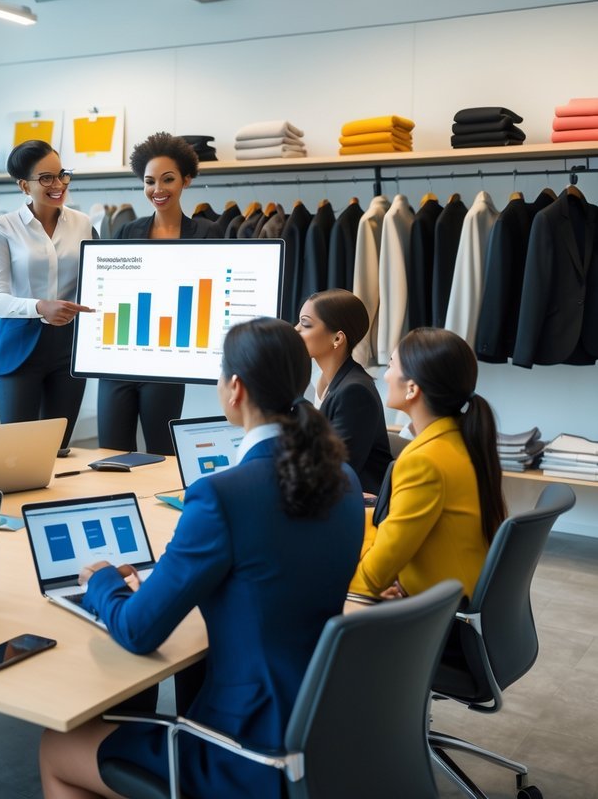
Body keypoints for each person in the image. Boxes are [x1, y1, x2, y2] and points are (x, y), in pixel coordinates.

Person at [39, 317, 362, 799]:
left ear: (235, 388)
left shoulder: (221, 494)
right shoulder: (345, 479)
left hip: (248, 746)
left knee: (56, 747)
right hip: (321, 724)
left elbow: (137, 631)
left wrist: (102, 581)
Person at [352, 327, 502, 600]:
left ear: (412, 389)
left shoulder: (423, 461)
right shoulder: (460, 439)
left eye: (391, 365)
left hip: (435, 613)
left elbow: (373, 576)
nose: (385, 375)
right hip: (449, 593)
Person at [0, 140, 95, 449]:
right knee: (17, 450)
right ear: (24, 185)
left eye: (61, 174)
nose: (58, 184)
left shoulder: (82, 223)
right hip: (19, 349)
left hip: (68, 348)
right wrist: (40, 307)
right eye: (46, 178)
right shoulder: (2, 228)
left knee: (57, 448)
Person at [98, 132, 200, 455]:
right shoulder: (128, 230)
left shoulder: (206, 233)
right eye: (149, 181)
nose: (157, 190)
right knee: (111, 456)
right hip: (119, 361)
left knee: (162, 455)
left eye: (167, 179)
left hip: (166, 363)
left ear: (186, 180)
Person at [295, 288, 393, 493]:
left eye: (305, 324)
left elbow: (334, 472)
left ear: (338, 339)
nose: (295, 330)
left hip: (358, 506)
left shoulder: (355, 392)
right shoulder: (322, 381)